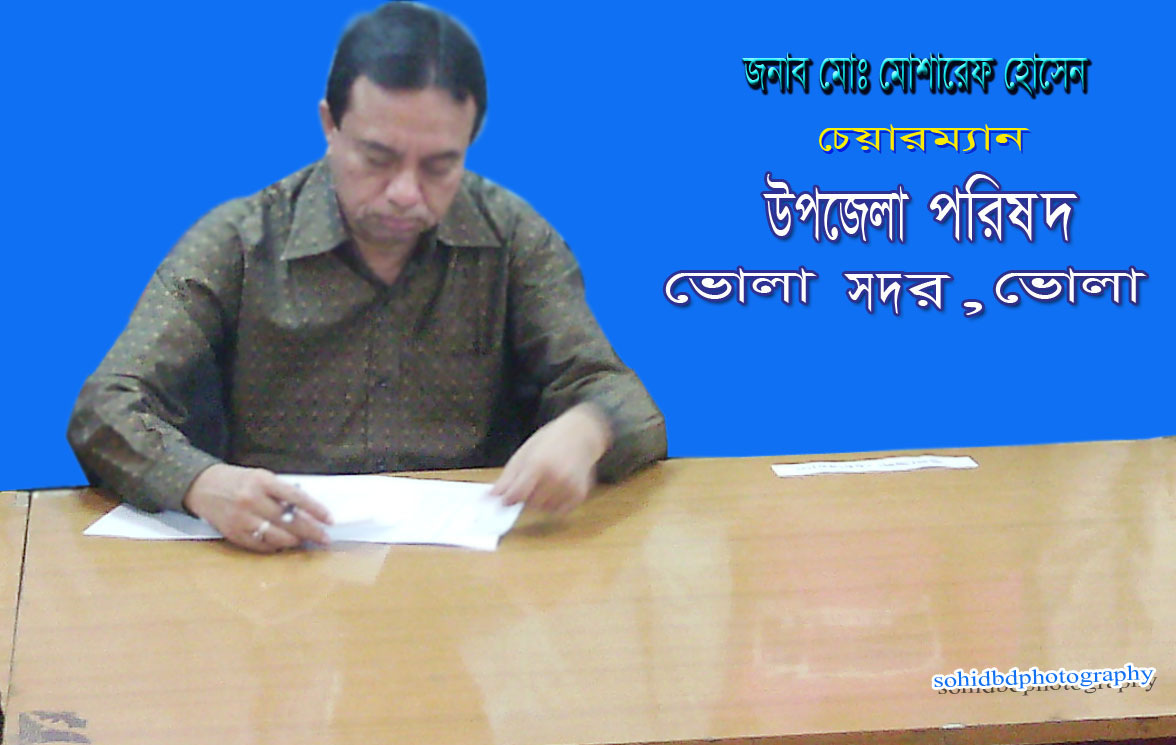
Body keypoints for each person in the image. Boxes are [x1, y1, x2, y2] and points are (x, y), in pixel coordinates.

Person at [67, 1, 666, 553]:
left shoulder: (512, 239)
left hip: (462, 569)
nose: (405, 192)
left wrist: (588, 429)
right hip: (278, 564)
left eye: (439, 166)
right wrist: (201, 483)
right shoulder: (238, 243)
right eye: (378, 158)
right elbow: (106, 406)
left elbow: (619, 394)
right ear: (330, 125)